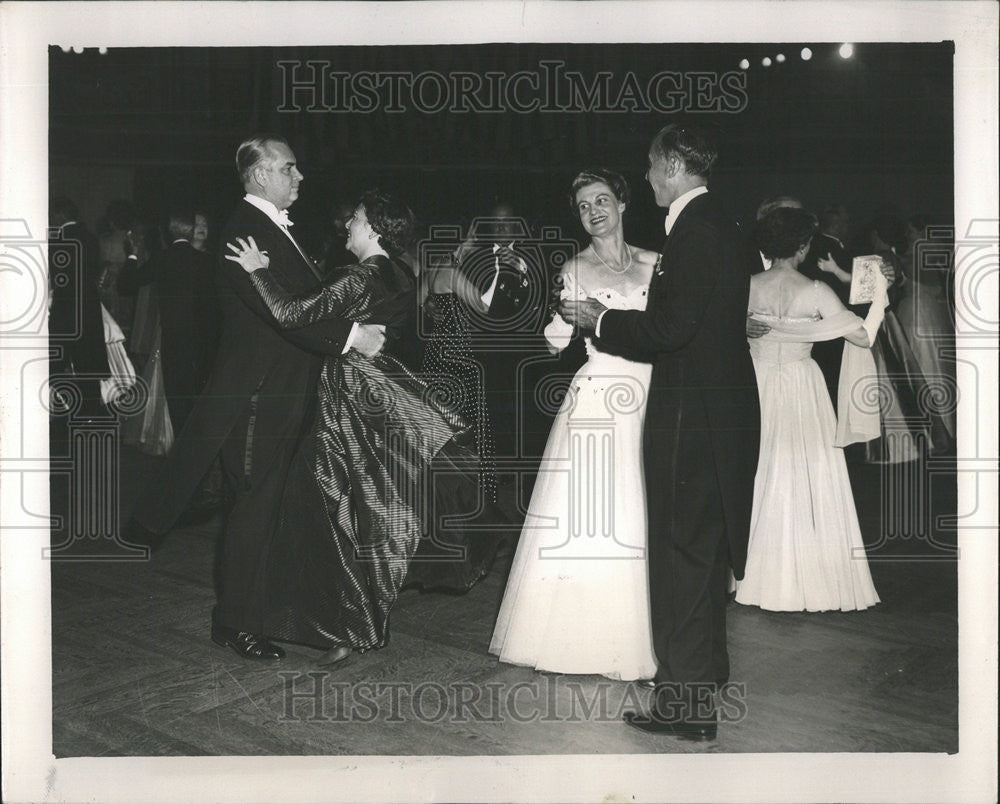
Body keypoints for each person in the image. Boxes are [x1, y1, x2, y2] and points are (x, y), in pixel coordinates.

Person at [127, 134, 386, 662]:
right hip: (257, 399)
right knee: (252, 510)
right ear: (261, 175)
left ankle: (258, 612)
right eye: (289, 168)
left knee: (266, 510)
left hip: (281, 393)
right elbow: (286, 311)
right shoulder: (243, 232)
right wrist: (350, 337)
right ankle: (235, 624)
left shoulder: (270, 230)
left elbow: (303, 303)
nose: (300, 177)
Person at [225, 190, 501, 666]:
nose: (346, 226)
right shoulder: (399, 273)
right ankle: (349, 622)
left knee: (334, 514)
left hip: (345, 401)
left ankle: (347, 626)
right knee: (364, 509)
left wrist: (257, 273)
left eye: (354, 219)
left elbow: (291, 315)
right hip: (378, 396)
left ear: (373, 228)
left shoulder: (358, 277)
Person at [561, 125, 761, 741]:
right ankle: (706, 679)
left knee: (681, 558)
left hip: (690, 417)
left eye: (651, 167)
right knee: (704, 556)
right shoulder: (722, 223)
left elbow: (670, 330)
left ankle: (685, 706)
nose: (646, 177)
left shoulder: (692, 230)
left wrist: (603, 319)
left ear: (673, 166)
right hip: (720, 410)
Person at [490, 168, 659, 680]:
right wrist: (559, 324)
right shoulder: (576, 269)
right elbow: (554, 344)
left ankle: (652, 630)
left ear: (623, 204)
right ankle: (584, 636)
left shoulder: (657, 263)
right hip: (600, 397)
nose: (594, 212)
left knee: (648, 507)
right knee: (600, 513)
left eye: (602, 200)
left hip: (654, 391)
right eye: (584, 206)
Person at [735, 207, 883, 612]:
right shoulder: (816, 291)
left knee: (757, 469)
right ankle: (808, 571)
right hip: (802, 385)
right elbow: (862, 338)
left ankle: (750, 571)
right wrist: (880, 297)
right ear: (803, 247)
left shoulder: (746, 285)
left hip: (755, 384)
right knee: (805, 472)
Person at [419, 233, 497, 503]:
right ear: (462, 242)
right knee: (468, 422)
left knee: (441, 422)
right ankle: (474, 495)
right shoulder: (453, 271)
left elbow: (418, 302)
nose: (477, 243)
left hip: (435, 352)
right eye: (474, 238)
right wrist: (499, 273)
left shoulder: (432, 269)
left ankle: (446, 494)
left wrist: (430, 306)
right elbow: (484, 306)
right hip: (458, 355)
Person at [150, 209, 220, 433]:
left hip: (202, 338)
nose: (200, 229)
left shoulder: (213, 260)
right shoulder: (171, 257)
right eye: (196, 224)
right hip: (174, 335)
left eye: (204, 225)